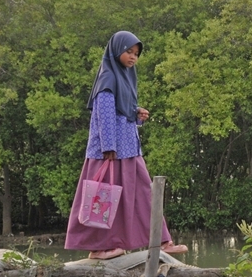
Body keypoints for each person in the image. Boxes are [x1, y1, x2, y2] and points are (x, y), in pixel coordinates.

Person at [65, 31, 187, 260]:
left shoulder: (126, 77)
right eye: (128, 52)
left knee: (143, 194)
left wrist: (136, 114)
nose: (133, 57)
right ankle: (98, 248)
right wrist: (108, 147)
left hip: (129, 150)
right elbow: (103, 114)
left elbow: (122, 112)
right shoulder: (108, 79)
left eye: (136, 54)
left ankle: (161, 240)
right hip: (108, 153)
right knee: (101, 197)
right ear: (116, 50)